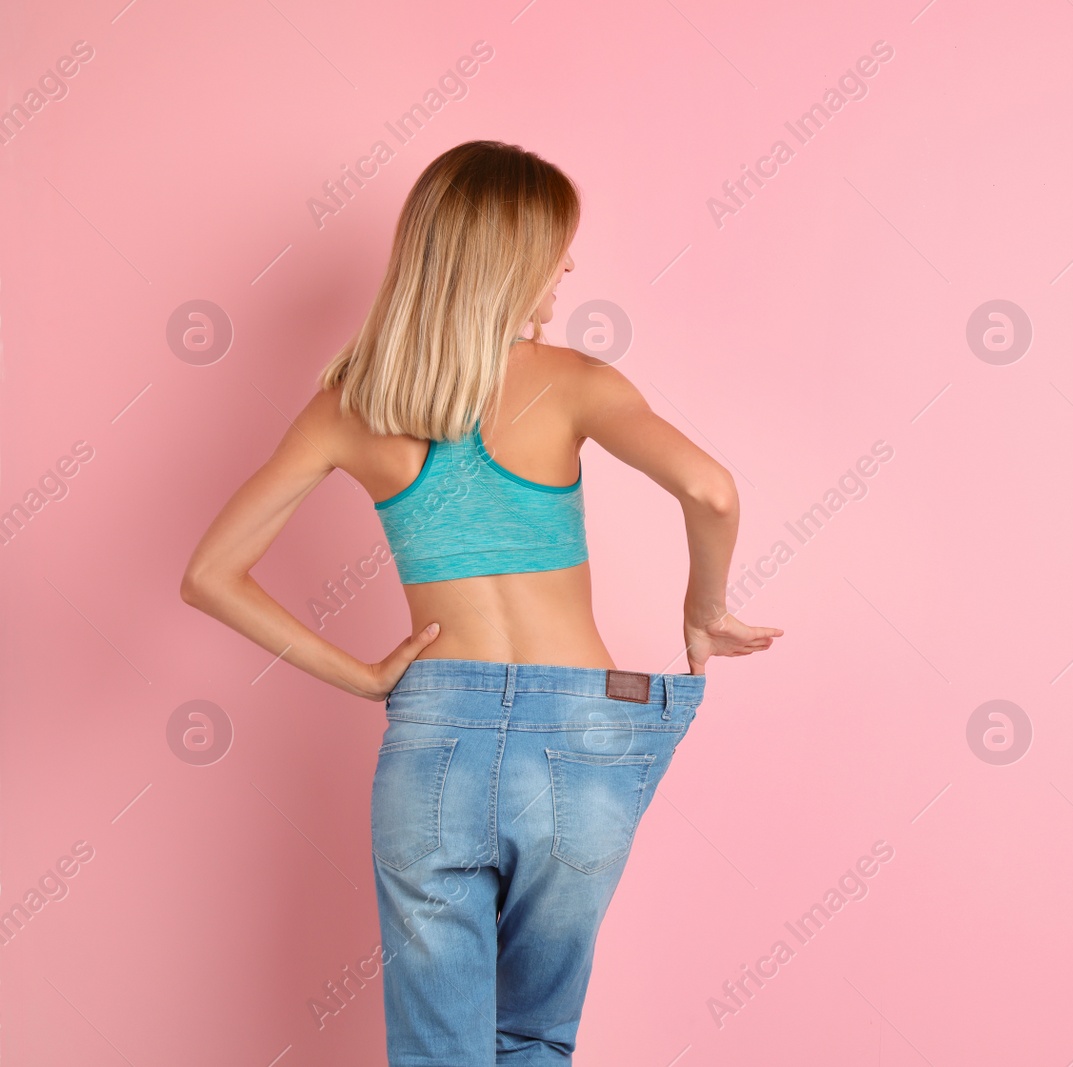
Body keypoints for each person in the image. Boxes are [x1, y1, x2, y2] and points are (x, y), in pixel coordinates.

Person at [179, 139, 783, 1064]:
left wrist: (363, 674)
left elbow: (210, 572)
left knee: (436, 1048)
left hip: (434, 738)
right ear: (508, 258)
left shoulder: (351, 404)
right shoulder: (576, 383)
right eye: (556, 245)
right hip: (580, 739)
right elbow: (712, 490)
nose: (569, 265)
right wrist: (705, 606)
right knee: (534, 1035)